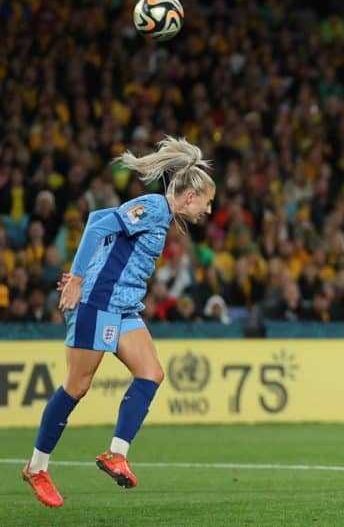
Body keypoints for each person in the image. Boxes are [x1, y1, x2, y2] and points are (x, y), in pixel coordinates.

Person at [22, 136, 215, 508]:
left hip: (123, 306)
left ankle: (116, 454)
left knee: (151, 372)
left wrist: (89, 271)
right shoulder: (156, 207)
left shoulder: (163, 218)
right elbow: (97, 224)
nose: (208, 211)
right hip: (98, 303)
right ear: (190, 197)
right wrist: (79, 278)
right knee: (76, 387)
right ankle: (37, 467)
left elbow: (115, 250)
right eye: (207, 203)